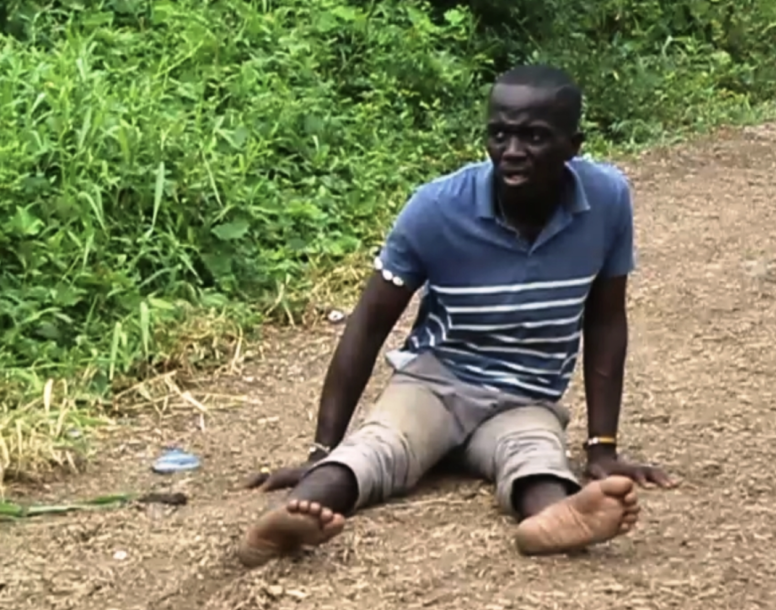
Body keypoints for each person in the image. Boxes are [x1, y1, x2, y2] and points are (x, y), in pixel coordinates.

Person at [237, 65, 678, 568]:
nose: (512, 151)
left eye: (534, 137)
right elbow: (368, 325)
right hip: (436, 386)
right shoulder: (437, 208)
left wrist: (602, 448)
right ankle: (289, 521)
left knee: (537, 456)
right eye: (499, 134)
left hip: (525, 396)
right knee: (378, 446)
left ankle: (552, 520)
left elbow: (605, 321)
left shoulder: (606, 200)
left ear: (573, 146)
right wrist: (322, 449)